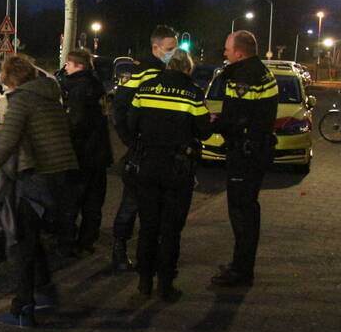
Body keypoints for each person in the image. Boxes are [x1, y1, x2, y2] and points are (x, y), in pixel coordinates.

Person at [0, 55, 77, 328]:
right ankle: (46, 291)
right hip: (62, 175)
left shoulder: (22, 100)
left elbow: (8, 140)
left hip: (38, 178)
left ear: (11, 79)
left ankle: (23, 308)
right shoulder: (50, 96)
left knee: (21, 242)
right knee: (32, 235)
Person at [128, 50, 212, 301]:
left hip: (148, 165)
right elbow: (205, 131)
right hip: (177, 168)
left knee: (148, 226)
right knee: (171, 229)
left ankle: (144, 281)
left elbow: (132, 123)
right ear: (188, 69)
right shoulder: (193, 93)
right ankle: (165, 285)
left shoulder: (145, 89)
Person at [210, 30, 279, 288]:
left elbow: (238, 118)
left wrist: (215, 123)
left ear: (239, 52)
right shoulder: (261, 71)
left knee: (241, 213)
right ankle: (242, 265)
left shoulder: (243, 78)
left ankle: (241, 271)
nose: (224, 51)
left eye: (227, 48)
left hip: (245, 153)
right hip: (256, 150)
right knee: (248, 210)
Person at [110, 25, 178, 272]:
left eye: (175, 48)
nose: (173, 53)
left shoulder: (171, 72)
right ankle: (119, 249)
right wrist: (130, 140)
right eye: (169, 49)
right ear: (155, 48)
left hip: (163, 151)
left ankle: (149, 254)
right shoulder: (140, 74)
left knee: (156, 208)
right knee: (131, 203)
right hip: (142, 151)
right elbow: (119, 109)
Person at [59, 49, 113, 256]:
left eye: (69, 64)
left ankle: (67, 244)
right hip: (99, 154)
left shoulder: (78, 88)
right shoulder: (96, 85)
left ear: (79, 66)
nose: (66, 68)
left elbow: (77, 122)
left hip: (81, 154)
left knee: (71, 200)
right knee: (93, 201)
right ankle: (87, 240)